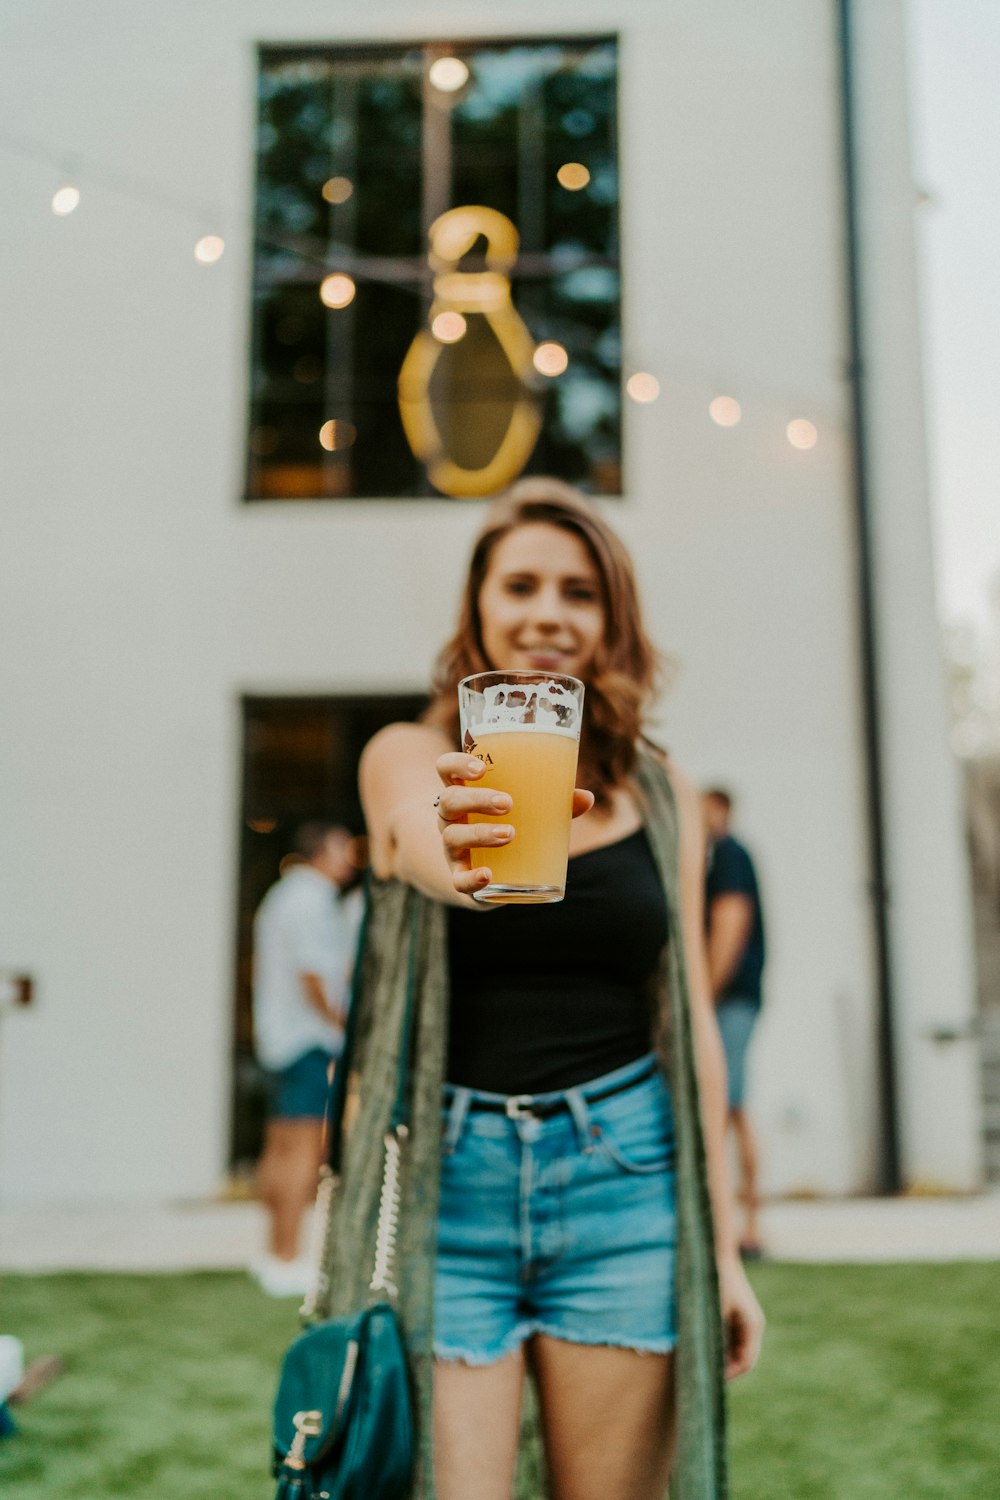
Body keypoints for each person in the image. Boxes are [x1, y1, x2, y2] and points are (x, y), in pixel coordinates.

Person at [326, 478, 764, 1500]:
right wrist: (472, 864)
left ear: (612, 619)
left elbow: (693, 1023)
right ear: (476, 608)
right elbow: (415, 836)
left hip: (625, 1183)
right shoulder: (413, 754)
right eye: (519, 584)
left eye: (577, 591)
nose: (546, 613)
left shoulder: (662, 794)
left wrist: (726, 1247)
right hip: (449, 1187)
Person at [251, 821, 362, 1296]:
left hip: (279, 1036)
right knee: (301, 1150)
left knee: (278, 1146)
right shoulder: (312, 899)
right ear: (321, 850)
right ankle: (287, 1256)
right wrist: (344, 1026)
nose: (350, 858)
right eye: (342, 848)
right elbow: (314, 976)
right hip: (308, 1040)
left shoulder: (282, 895)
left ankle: (272, 1249)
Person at [702, 788, 767, 1259]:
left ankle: (745, 1227)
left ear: (721, 808)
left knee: (726, 1106)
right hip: (731, 1000)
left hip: (727, 1000)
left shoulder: (728, 854)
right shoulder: (726, 856)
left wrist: (701, 998)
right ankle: (741, 1224)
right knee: (732, 1107)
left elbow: (730, 923)